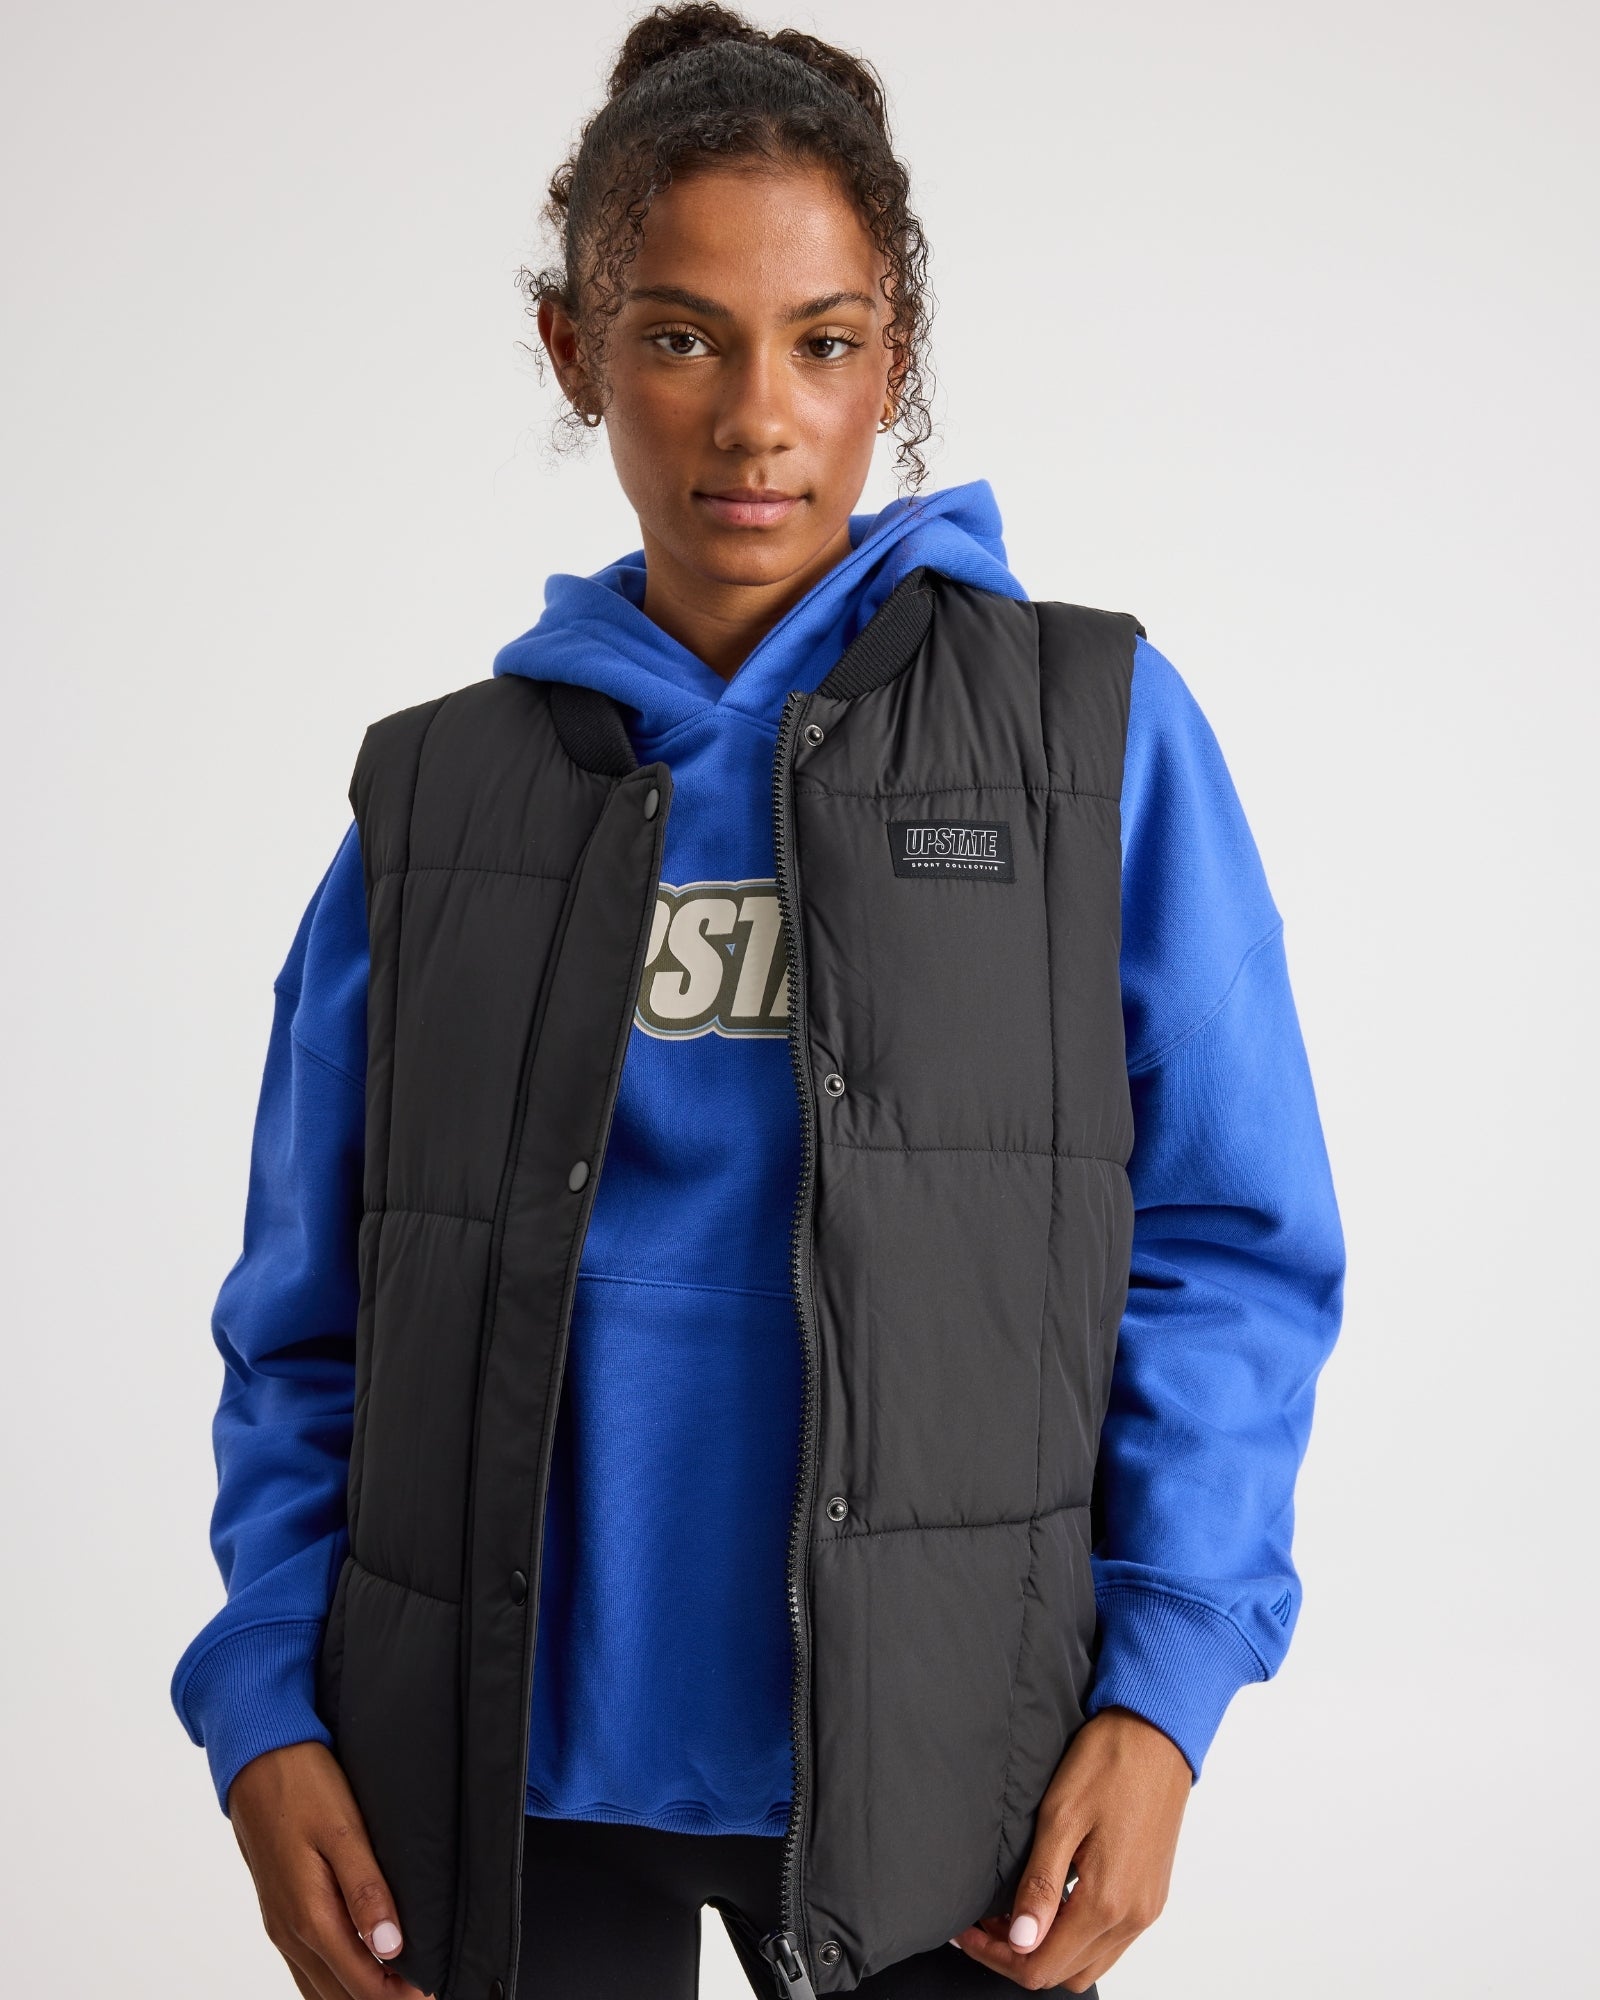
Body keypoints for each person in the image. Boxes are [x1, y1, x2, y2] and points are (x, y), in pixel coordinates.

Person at [169, 7, 1346, 1997]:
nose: (755, 420)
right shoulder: (435, 802)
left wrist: (1165, 1689)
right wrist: (264, 1699)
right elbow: (311, 1310)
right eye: (681, 337)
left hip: (960, 1779)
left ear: (896, 357)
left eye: (823, 341)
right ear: (573, 349)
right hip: (493, 1783)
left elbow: (1230, 1244)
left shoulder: (1087, 740)